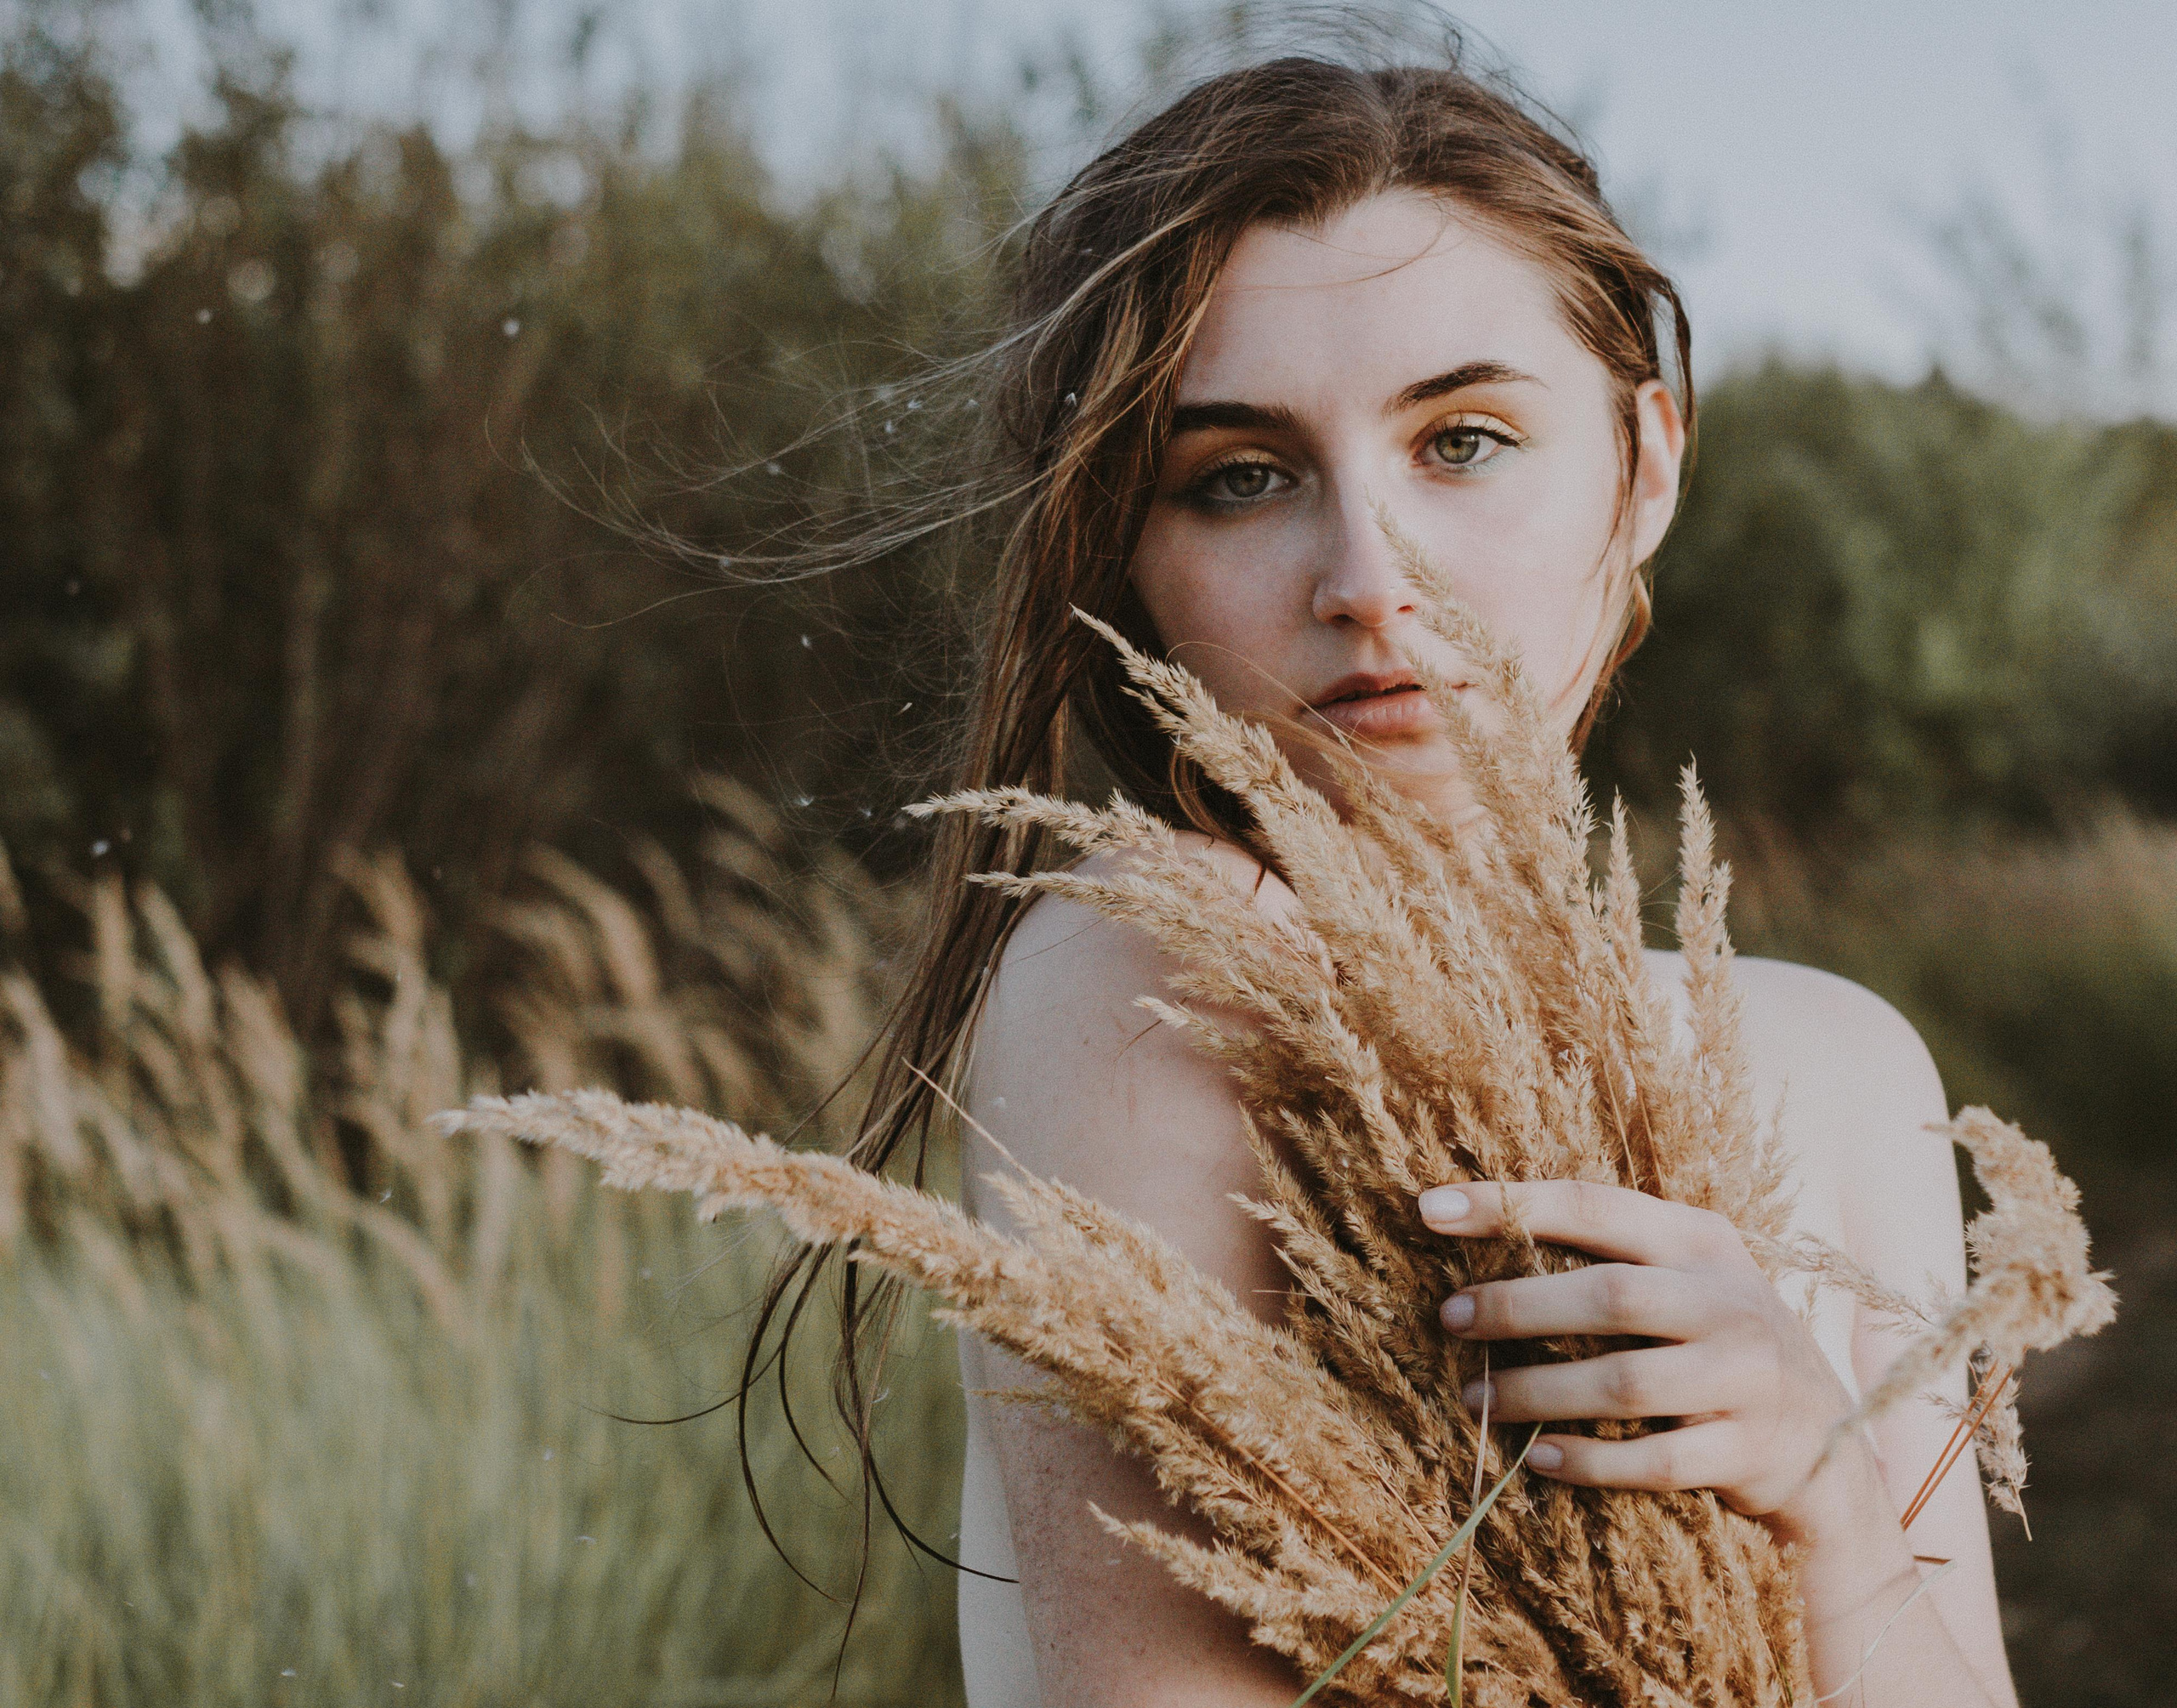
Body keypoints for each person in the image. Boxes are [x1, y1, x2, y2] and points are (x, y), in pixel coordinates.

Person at [778, 45, 2018, 1708]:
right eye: (1238, 477)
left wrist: (1829, 1518)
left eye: (1462, 442)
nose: (1367, 578)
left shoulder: (1847, 1066)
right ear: (1120, 559)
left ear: (1642, 464)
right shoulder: (1161, 977)